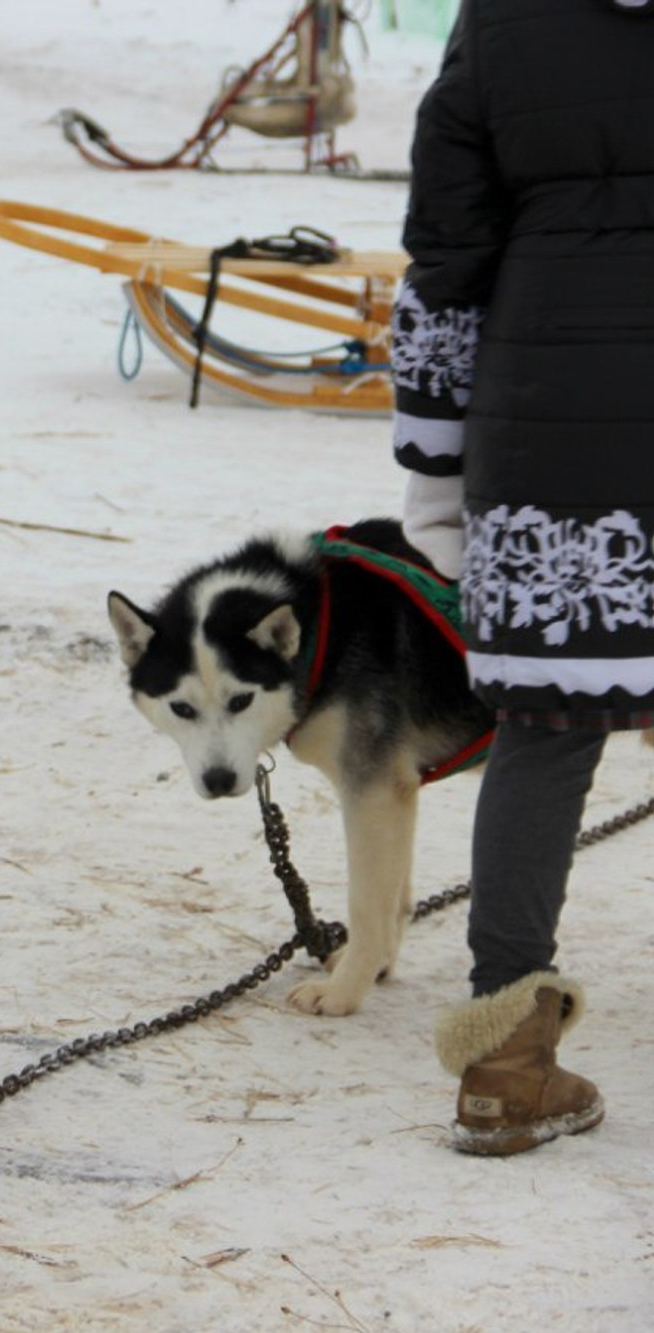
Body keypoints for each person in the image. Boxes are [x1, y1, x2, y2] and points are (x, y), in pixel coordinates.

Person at [392, 0, 654, 1155]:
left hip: (549, 434)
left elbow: (444, 259)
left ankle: (504, 1058)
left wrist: (431, 473)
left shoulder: (504, 19)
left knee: (545, 729)